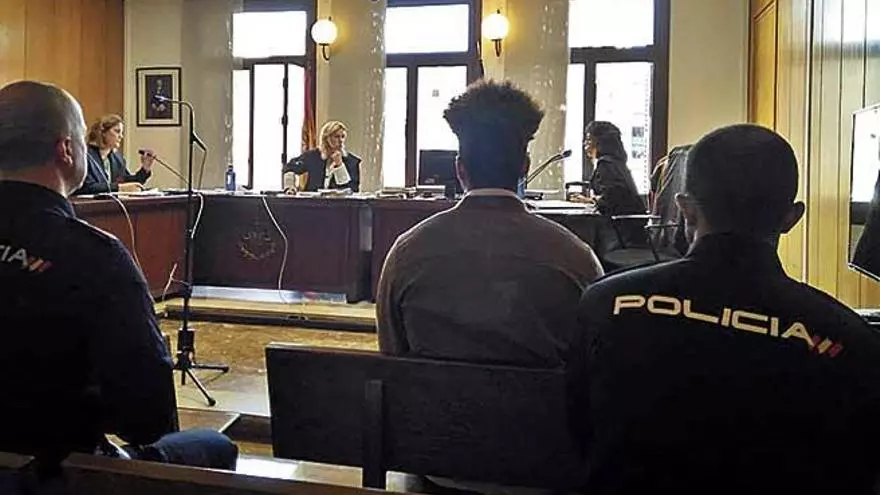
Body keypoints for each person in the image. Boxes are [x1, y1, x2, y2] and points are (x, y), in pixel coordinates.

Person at [573, 124, 880, 495]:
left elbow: (576, 437)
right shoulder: (848, 342)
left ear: (685, 208)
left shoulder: (604, 304)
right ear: (792, 217)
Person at [0, 81, 237, 473]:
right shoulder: (96, 257)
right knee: (213, 445)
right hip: (60, 474)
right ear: (66, 150)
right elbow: (147, 418)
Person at [377, 80, 603, 367]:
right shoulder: (576, 257)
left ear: (460, 169)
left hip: (429, 398)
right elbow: (593, 359)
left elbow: (392, 354)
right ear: (525, 167)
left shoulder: (406, 254)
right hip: (538, 400)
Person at [581, 121, 646, 252]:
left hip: (621, 235)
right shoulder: (615, 163)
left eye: (588, 139)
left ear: (599, 142)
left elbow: (613, 199)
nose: (584, 144)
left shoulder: (605, 165)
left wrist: (592, 200)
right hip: (629, 232)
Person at [73, 114, 154, 195]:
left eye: (122, 133)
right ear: (103, 132)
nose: (121, 136)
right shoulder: (85, 155)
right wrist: (119, 188)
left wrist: (145, 169)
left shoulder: (116, 158)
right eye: (117, 131)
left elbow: (128, 182)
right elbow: (86, 187)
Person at [283, 120, 361, 193]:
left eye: (343, 137)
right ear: (326, 138)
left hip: (340, 202)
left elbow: (352, 189)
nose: (341, 140)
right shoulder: (313, 156)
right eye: (336, 137)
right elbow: (289, 167)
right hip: (314, 201)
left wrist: (339, 166)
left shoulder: (352, 161)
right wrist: (290, 187)